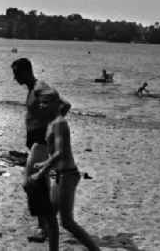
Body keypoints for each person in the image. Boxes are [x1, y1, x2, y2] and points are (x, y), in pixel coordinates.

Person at [30, 93, 100, 251]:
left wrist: (41, 172)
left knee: (67, 222)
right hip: (59, 176)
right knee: (50, 218)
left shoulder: (60, 123)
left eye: (46, 103)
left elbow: (60, 153)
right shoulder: (53, 121)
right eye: (41, 103)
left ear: (55, 104)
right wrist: (43, 164)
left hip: (68, 175)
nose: (41, 106)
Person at [12, 57, 70, 244]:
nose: (14, 78)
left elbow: (64, 105)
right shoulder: (33, 89)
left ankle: (44, 226)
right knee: (40, 183)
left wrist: (51, 125)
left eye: (16, 73)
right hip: (36, 143)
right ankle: (45, 224)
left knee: (33, 183)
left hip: (41, 142)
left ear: (25, 71)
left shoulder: (39, 88)